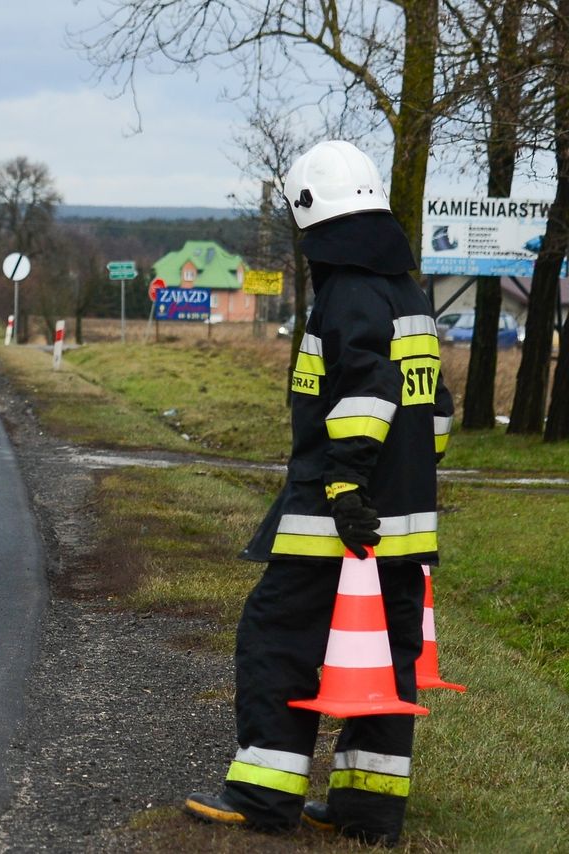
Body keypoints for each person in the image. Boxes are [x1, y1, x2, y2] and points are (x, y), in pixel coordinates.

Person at [183, 140, 453, 846]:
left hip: (334, 521)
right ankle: (368, 812)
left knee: (276, 640)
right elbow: (438, 412)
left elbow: (365, 393)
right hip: (402, 530)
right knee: (384, 668)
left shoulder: (349, 294)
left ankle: (264, 798)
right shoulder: (407, 296)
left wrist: (346, 485)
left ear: (314, 221)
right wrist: (399, 484)